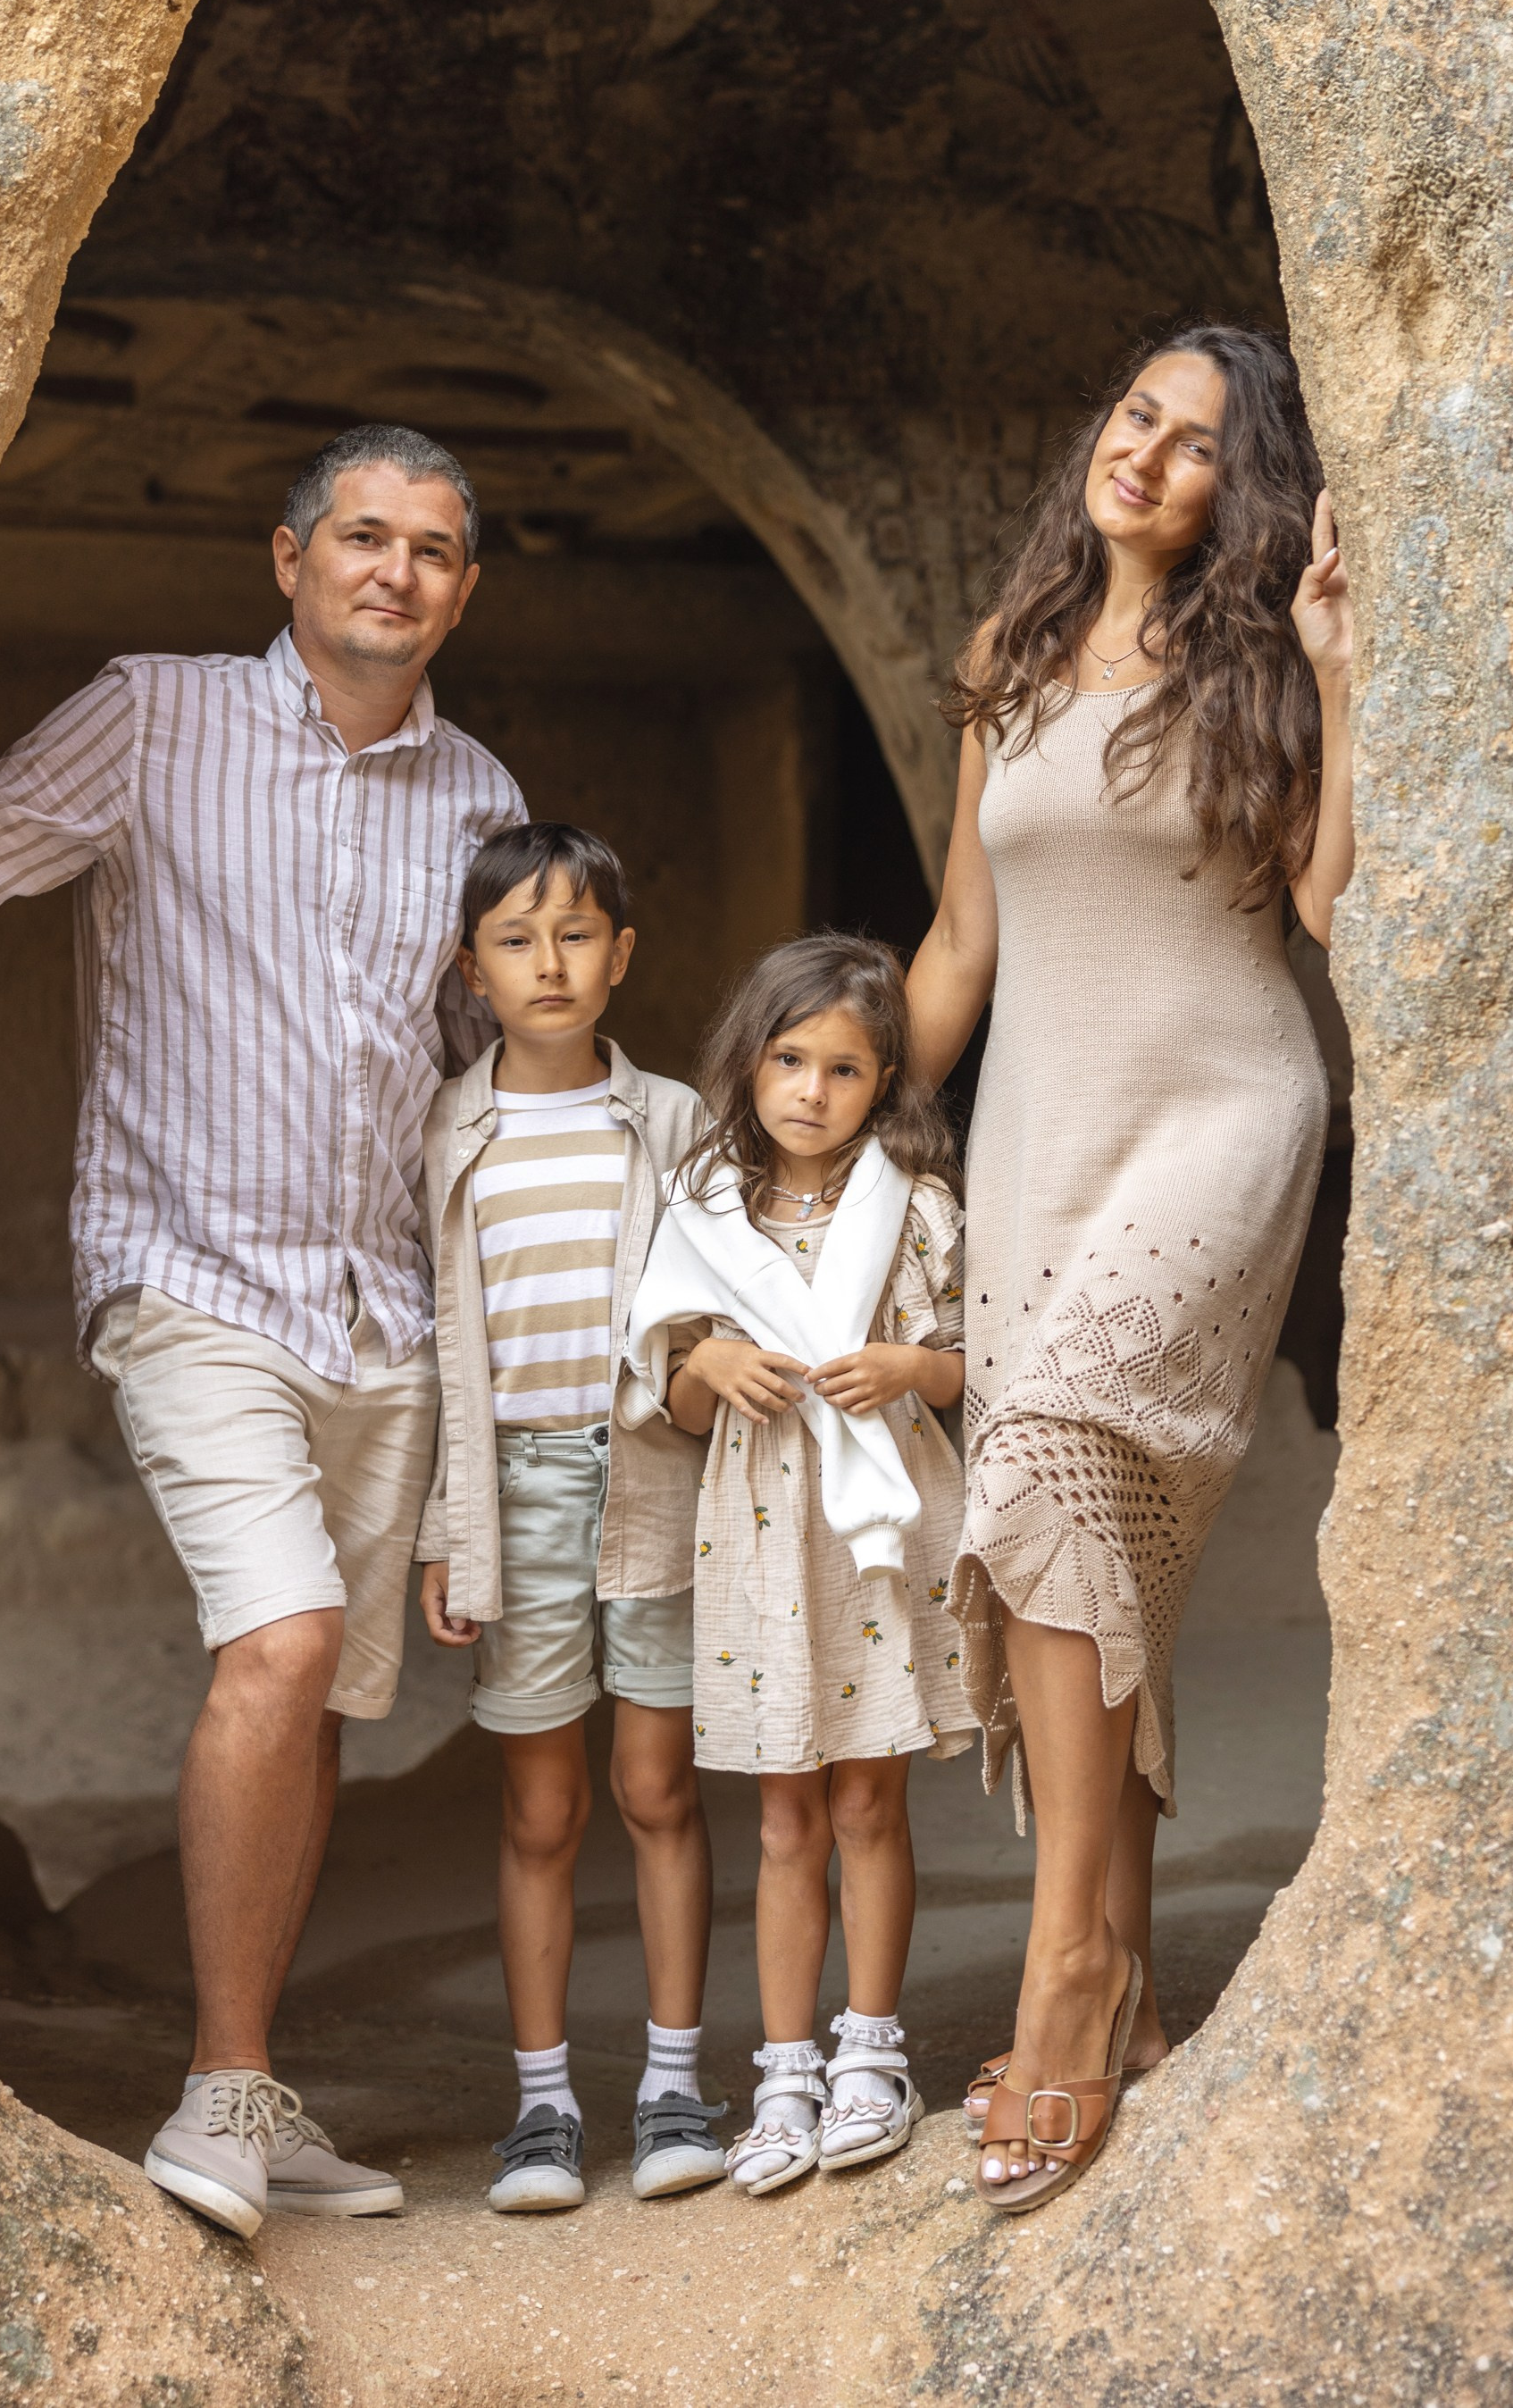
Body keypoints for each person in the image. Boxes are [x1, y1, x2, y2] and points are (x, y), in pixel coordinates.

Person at [0, 426, 524, 2237]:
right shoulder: (156, 716)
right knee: (285, 1642)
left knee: (312, 1704)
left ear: (465, 589)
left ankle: (258, 2084)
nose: (396, 569)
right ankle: (220, 2098)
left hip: (378, 1309)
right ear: (286, 561)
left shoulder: (482, 798)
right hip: (189, 1281)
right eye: (363, 536)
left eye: (436, 549)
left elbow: (477, 1083)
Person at [904, 320, 1353, 2213]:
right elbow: (954, 946)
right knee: (1102, 1570)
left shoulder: (1258, 666)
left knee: (1057, 1458)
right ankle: (1141, 1977)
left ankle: (1066, 1975)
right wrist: (783, 1173)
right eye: (1134, 417)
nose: (1148, 457)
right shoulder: (1004, 667)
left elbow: (1326, 907)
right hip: (1036, 1139)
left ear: (1233, 494)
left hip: (1222, 1113)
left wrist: (1341, 670)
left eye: (1193, 449)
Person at [626, 935, 974, 2195]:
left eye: (842, 1068)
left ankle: (869, 2054)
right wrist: (709, 1368)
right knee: (783, 1814)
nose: (810, 1091)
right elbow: (665, 1387)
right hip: (763, 1528)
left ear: (882, 1084)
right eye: (788, 1060)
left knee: (868, 1800)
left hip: (872, 1532)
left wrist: (902, 1370)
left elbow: (962, 1363)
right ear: (749, 1061)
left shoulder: (914, 1205)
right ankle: (782, 2069)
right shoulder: (706, 1205)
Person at [416, 823, 722, 2213]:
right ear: (469, 970)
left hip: (653, 1476)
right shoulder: (444, 1134)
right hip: (515, 1488)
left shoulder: (667, 1121)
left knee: (655, 1788)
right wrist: (443, 1524)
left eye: (577, 932)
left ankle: (672, 2087)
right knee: (540, 1810)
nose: (549, 962)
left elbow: (717, 1306)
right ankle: (541, 2107)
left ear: (622, 955)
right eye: (515, 938)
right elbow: (430, 1345)